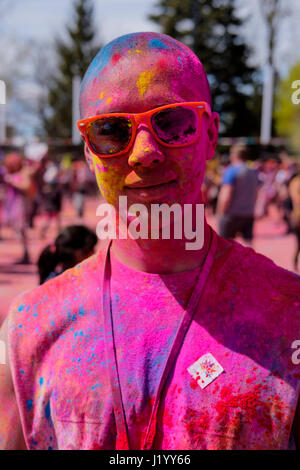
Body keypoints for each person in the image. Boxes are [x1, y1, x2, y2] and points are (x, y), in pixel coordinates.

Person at [0, 32, 299, 451]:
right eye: (111, 130)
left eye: (173, 123)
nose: (143, 153)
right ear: (88, 151)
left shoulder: (289, 316)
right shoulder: (29, 328)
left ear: (210, 133)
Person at [216, 144, 259, 244]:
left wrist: (220, 214)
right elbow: (256, 193)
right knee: (248, 245)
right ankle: (250, 260)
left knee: (224, 245)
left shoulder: (231, 171)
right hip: (248, 213)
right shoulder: (253, 172)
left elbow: (226, 195)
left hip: (231, 214)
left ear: (234, 155)